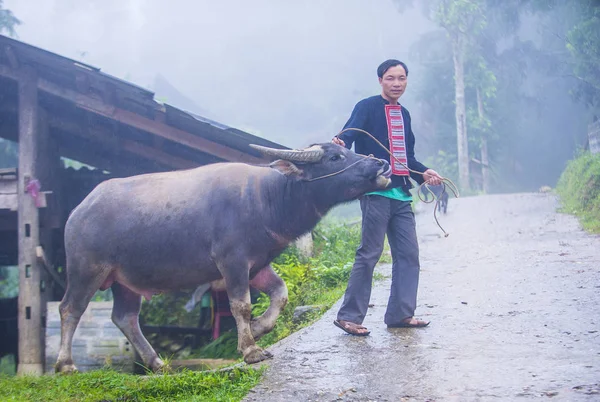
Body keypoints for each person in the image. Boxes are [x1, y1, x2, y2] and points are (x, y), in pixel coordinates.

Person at [332, 59, 443, 336]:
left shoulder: (403, 114)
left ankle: (400, 314)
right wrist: (340, 142)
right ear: (380, 80)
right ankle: (348, 317)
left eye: (402, 78)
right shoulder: (366, 107)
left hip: (401, 194)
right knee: (369, 253)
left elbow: (408, 157)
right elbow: (348, 135)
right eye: (391, 78)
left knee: (409, 254)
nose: (397, 84)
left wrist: (424, 172)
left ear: (407, 81)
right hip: (375, 191)